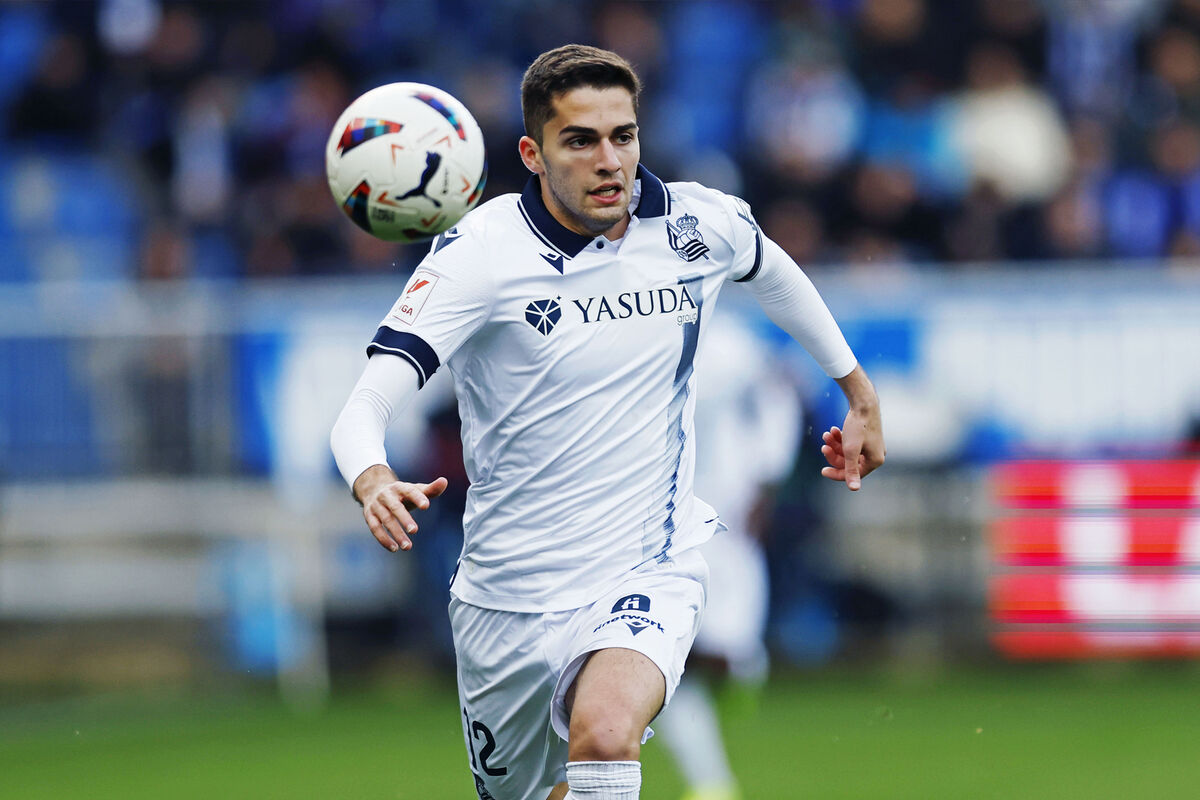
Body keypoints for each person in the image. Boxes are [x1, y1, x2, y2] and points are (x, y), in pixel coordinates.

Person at [330, 44, 884, 800]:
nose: (609, 161)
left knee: (606, 731)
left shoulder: (696, 222)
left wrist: (857, 391)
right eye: (580, 141)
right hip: (504, 599)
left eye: (623, 136)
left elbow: (771, 269)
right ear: (532, 154)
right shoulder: (478, 257)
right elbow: (364, 405)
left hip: (649, 564)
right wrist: (371, 478)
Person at [653, 312, 803, 800]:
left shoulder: (734, 344)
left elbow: (779, 400)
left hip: (726, 520)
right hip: (655, 522)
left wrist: (768, 480)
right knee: (671, 661)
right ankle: (710, 782)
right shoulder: (626, 328)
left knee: (726, 660)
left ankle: (738, 673)